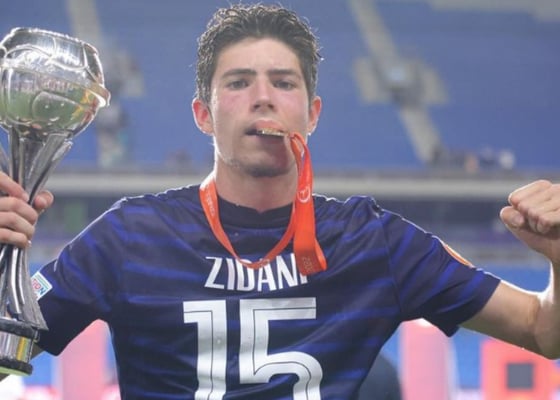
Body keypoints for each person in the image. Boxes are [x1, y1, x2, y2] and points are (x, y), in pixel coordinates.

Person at [0, 3, 559, 399]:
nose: (263, 98)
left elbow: (541, 331)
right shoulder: (129, 236)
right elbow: (5, 356)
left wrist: (559, 256)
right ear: (203, 115)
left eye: (284, 83)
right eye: (239, 82)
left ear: (312, 113)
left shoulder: (374, 241)